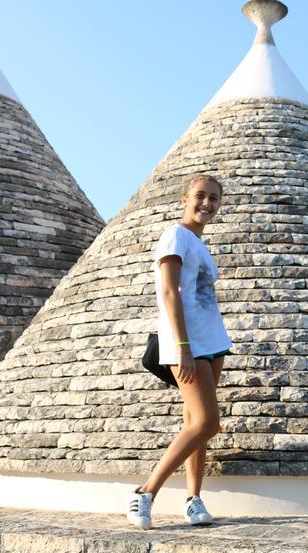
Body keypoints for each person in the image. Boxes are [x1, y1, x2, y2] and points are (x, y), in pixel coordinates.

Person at [127, 175, 231, 529]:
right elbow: (169, 293)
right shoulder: (175, 236)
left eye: (214, 198)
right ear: (185, 198)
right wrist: (183, 346)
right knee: (208, 422)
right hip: (187, 343)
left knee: (194, 425)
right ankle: (145, 492)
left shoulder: (199, 244)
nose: (207, 203)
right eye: (200, 196)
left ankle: (193, 499)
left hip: (213, 341)